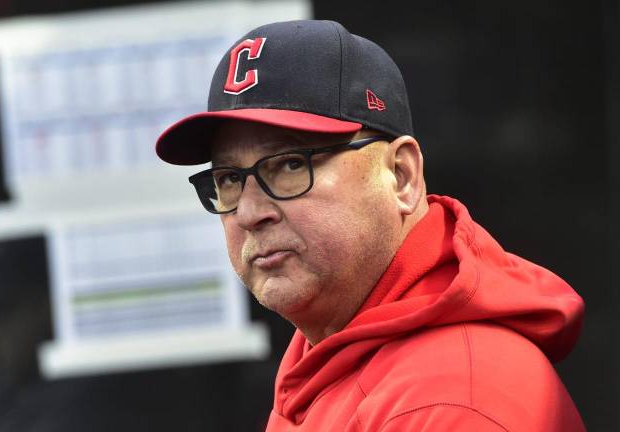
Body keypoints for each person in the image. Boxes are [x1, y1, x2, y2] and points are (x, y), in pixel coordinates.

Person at [155, 19, 585, 431]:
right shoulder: (329, 348)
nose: (249, 213)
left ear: (401, 176)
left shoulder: (451, 398)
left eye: (290, 164)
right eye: (229, 179)